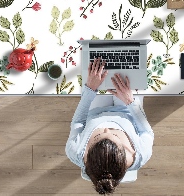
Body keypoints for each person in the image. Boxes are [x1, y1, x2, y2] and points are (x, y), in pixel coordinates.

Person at [66, 57, 154, 194]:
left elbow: (78, 122)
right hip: (127, 110)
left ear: (87, 154)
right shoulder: (142, 154)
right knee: (131, 68)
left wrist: (90, 89)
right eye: (114, 135)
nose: (106, 128)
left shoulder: (75, 152)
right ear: (126, 152)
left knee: (94, 71)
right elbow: (146, 132)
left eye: (98, 136)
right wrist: (130, 101)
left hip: (95, 111)